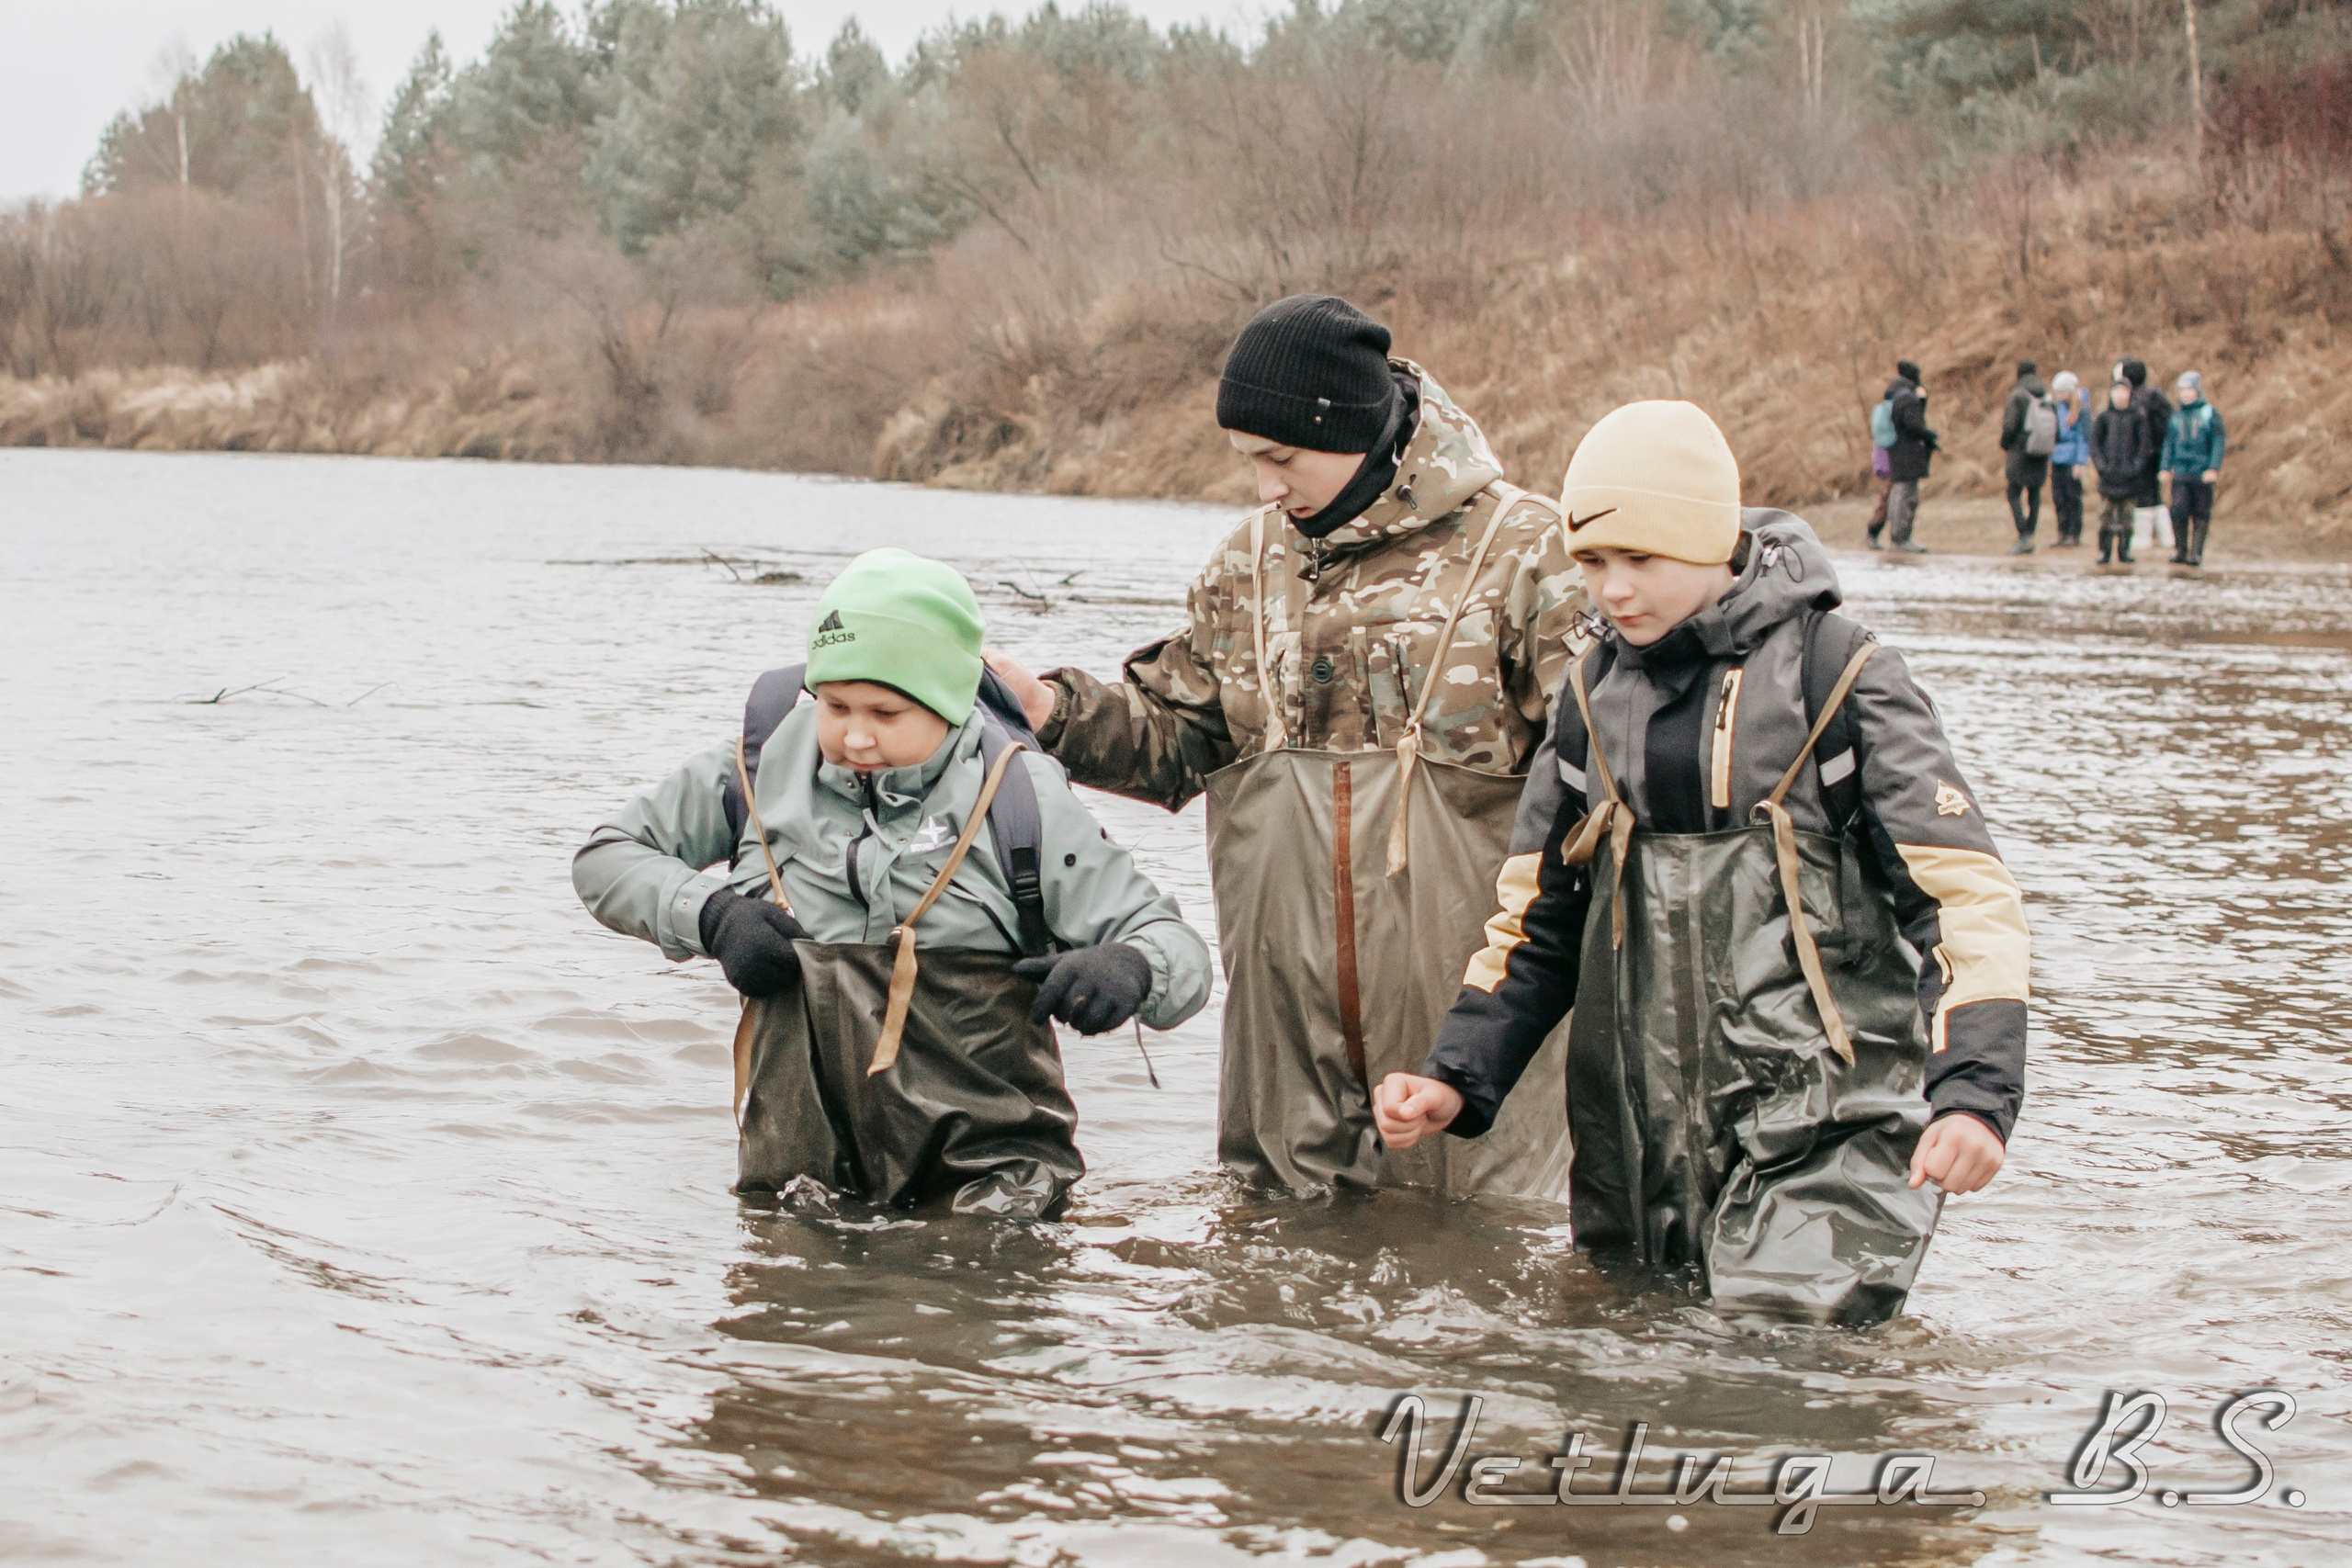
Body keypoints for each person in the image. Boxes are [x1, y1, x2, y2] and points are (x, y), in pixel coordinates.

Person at [1371, 400, 2030, 1325]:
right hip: (1634, 1144)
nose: (1611, 589)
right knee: (1630, 1369)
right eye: (1592, 562)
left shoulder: (1842, 677)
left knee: (1780, 1366)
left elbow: (1962, 899)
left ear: (1709, 541)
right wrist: (1453, 1074)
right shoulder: (1586, 702)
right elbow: (1537, 921)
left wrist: (1973, 1098)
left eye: (1639, 558)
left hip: (1826, 1127)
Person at [985, 293, 1588, 1198]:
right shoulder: (1245, 565)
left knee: (1485, 1273)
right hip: (1283, 1045)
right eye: (1249, 462)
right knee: (1265, 1276)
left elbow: (1597, 790)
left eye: (1280, 458)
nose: (1266, 486)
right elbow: (1180, 739)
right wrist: (1049, 711)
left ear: (1351, 428)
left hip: (1470, 1040)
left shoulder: (1527, 551)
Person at [571, 549, 1215, 1217]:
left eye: (885, 713)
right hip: (800, 1186)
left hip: (992, 1191)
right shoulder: (757, 765)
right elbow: (605, 857)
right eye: (837, 704)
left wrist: (1132, 967)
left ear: (947, 700)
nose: (855, 735)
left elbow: (1182, 954)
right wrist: (711, 916)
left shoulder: (1022, 794)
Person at [2162, 370, 2225, 567]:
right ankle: (2180, 549)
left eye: (2189, 390)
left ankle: (2196, 553)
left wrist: (2213, 468)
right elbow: (2169, 443)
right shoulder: (2176, 416)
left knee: (2201, 512)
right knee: (2178, 510)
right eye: (2183, 390)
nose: (2186, 394)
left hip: (2202, 472)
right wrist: (2165, 467)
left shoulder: (2209, 413)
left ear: (2197, 391)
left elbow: (2218, 442)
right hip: (2181, 471)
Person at [2090, 377, 2153, 566]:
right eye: (2116, 390)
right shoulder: (2103, 417)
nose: (2119, 395)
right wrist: (2102, 466)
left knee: (2127, 518)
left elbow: (2144, 447)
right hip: (2108, 477)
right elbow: (2095, 445)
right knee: (2105, 517)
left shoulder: (2138, 417)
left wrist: (2136, 467)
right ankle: (2103, 551)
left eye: (2123, 391)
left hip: (2130, 478)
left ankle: (2124, 551)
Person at [1876, 359, 1937, 554]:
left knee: (1897, 494)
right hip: (1908, 454)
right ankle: (1901, 538)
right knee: (1905, 495)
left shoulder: (1893, 395)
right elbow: (1913, 425)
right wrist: (1929, 435)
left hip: (1895, 451)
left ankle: (1897, 537)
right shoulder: (1909, 398)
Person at [1998, 360, 2056, 554]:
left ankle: (2023, 535)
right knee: (2034, 494)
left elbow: (2010, 426)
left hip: (2020, 451)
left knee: (2013, 492)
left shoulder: (2018, 395)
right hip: (2040, 451)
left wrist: (2005, 445)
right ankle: (2030, 533)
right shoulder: (2045, 395)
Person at [2117, 357, 2174, 552]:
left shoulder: (2134, 398)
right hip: (2159, 451)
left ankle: (2143, 537)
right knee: (2155, 494)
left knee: (2142, 495)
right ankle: (2167, 537)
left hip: (2141, 453)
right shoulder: (2156, 394)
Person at [2047, 371, 2090, 547]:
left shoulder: (2081, 408)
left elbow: (2084, 438)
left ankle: (2074, 533)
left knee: (2073, 498)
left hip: (2072, 459)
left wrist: (2080, 462)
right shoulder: (2055, 406)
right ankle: (2062, 532)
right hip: (2056, 458)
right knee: (2058, 497)